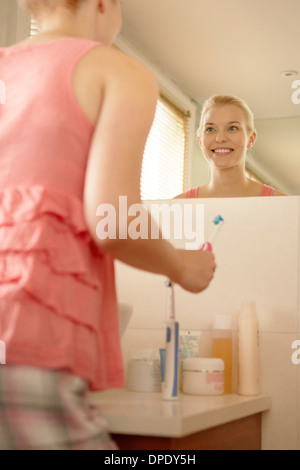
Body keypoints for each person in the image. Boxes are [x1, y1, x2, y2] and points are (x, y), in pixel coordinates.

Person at [0, 0, 216, 450]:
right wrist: (181, 266)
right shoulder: (116, 71)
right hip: (24, 328)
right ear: (105, 3)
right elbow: (113, 222)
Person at [176, 95, 286, 199]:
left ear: (251, 138)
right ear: (200, 140)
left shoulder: (283, 203)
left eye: (232, 128)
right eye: (210, 129)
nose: (220, 138)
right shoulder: (178, 205)